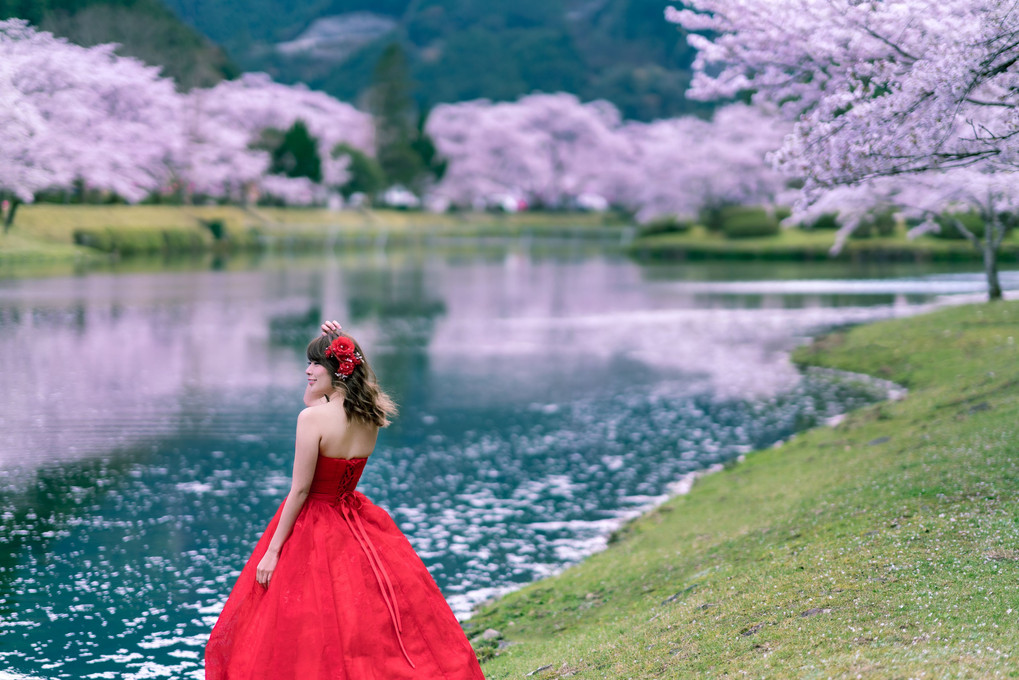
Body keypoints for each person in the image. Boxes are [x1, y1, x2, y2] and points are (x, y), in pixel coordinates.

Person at [205, 322, 486, 679]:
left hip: (315, 521)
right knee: (359, 617)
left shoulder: (312, 419)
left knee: (304, 619)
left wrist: (273, 550)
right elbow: (334, 392)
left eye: (314, 364)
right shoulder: (369, 416)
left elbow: (301, 490)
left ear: (337, 370)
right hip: (355, 521)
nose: (307, 371)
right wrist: (342, 341)